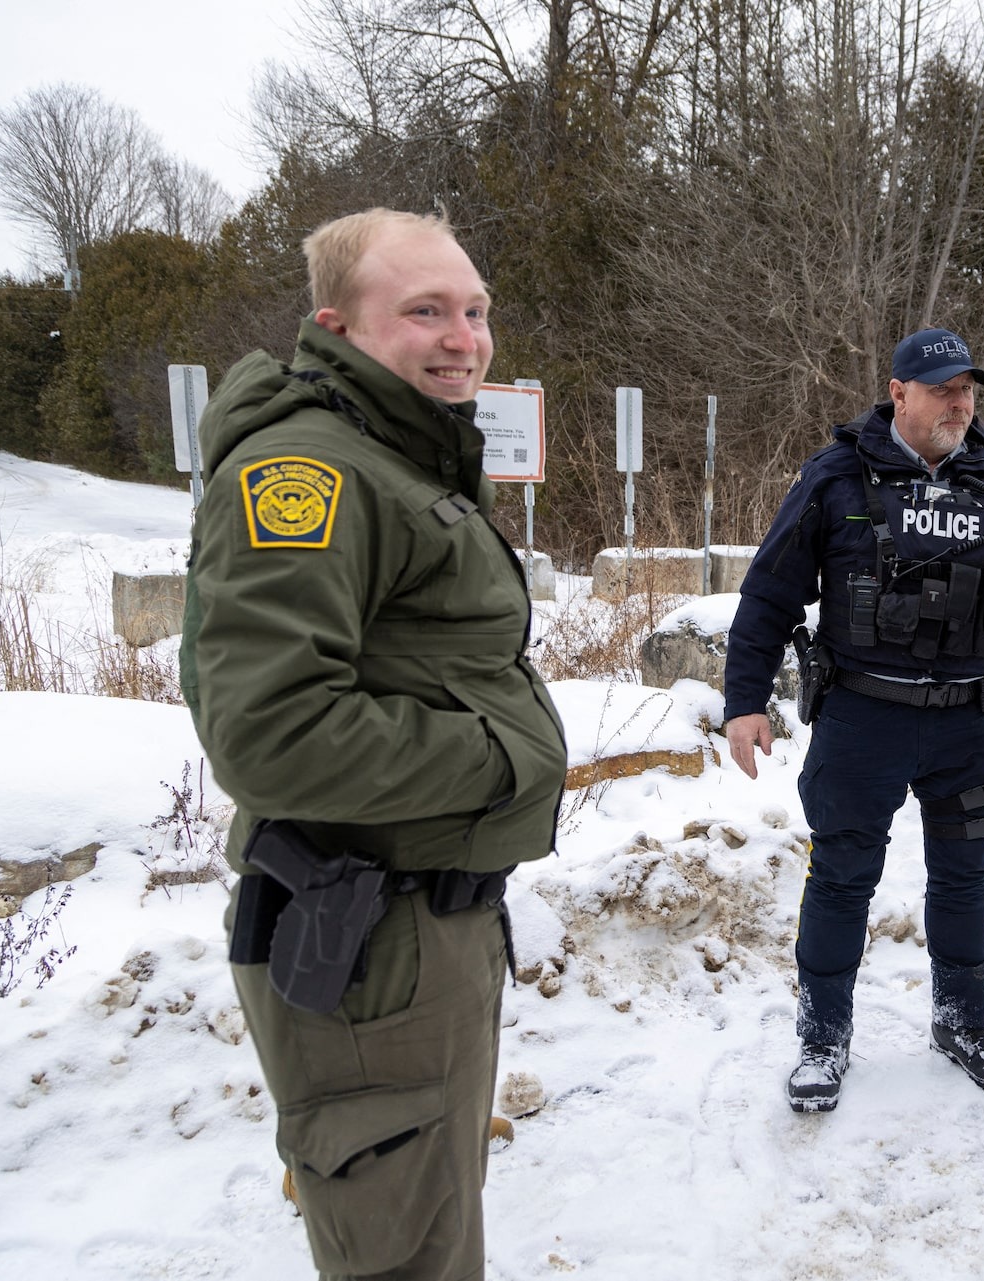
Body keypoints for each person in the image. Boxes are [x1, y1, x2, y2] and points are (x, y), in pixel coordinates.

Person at [180, 208, 568, 1280]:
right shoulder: (311, 473)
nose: (464, 338)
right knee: (402, 1257)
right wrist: (502, 762)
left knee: (429, 1228)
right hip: (368, 943)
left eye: (476, 311)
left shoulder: (396, 456)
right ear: (338, 325)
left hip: (418, 928)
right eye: (425, 312)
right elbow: (270, 732)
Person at [723, 327, 984, 1113]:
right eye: (942, 388)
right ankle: (823, 1035)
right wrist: (744, 700)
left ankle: (962, 1021)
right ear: (899, 393)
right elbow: (770, 593)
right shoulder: (837, 478)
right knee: (842, 875)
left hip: (970, 724)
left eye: (968, 390)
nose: (960, 402)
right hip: (864, 718)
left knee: (965, 878)